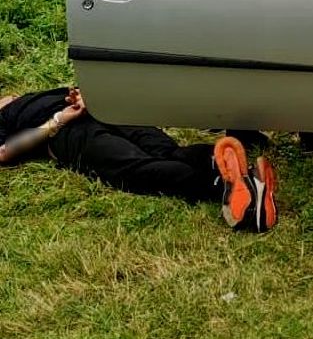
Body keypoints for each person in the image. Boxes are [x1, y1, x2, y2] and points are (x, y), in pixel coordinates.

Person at [0, 87, 278, 232]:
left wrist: (84, 97)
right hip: (65, 133)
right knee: (148, 161)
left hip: (98, 112)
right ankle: (227, 178)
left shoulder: (26, 96)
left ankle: (222, 173)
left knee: (155, 159)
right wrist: (58, 120)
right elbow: (4, 152)